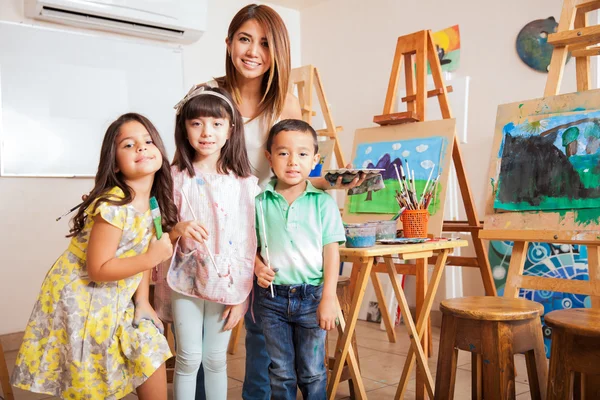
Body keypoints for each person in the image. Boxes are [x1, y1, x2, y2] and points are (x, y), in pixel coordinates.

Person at [11, 113, 177, 400]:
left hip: (119, 295)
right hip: (84, 300)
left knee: (150, 348)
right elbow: (99, 269)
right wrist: (152, 258)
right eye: (128, 145)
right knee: (92, 379)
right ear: (114, 163)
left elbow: (139, 255)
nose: (141, 147)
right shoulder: (113, 204)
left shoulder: (152, 202)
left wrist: (142, 303)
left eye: (147, 140)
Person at [164, 85, 258, 399]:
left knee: (216, 358)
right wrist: (178, 228)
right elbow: (158, 229)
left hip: (227, 281)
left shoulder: (245, 184)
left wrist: (241, 293)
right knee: (188, 357)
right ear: (184, 129)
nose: (207, 132)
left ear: (231, 129)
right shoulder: (173, 177)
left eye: (217, 124)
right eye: (197, 123)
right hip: (184, 279)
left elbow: (249, 243)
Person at [255, 119, 345, 399]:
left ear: (315, 160)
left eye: (303, 154)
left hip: (312, 297)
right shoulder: (259, 201)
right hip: (271, 299)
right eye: (283, 153)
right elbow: (250, 246)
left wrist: (328, 298)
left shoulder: (324, 203)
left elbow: (331, 252)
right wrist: (258, 267)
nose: (293, 161)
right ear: (269, 157)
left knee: (313, 371)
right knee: (280, 371)